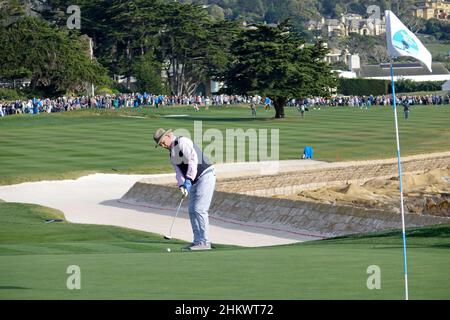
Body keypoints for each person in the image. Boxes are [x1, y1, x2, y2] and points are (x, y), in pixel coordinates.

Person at [154, 128, 216, 251]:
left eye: (162, 141)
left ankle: (205, 242)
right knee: (192, 210)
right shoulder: (172, 153)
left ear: (168, 135)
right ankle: (198, 241)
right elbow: (178, 172)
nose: (162, 145)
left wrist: (188, 179)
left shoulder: (182, 142)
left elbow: (193, 160)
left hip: (205, 175)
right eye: (159, 144)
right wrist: (182, 185)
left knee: (200, 209)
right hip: (193, 180)